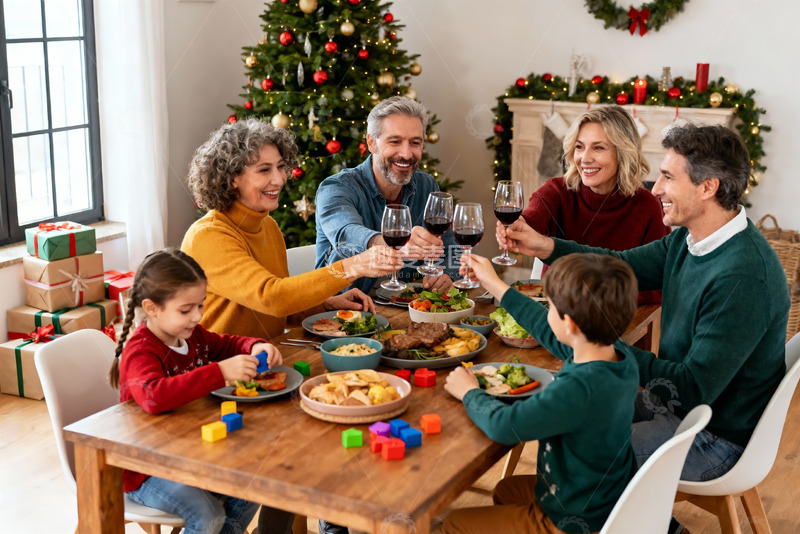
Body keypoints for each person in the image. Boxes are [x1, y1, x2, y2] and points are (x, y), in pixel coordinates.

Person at [497, 124, 790, 533]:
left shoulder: (741, 276)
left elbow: (691, 388)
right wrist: (546, 246)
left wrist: (600, 347)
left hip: (712, 434)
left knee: (581, 454)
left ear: (708, 187)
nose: (655, 190)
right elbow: (617, 262)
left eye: (669, 177)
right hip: (678, 408)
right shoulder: (692, 239)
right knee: (569, 425)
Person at [442, 252, 641, 534]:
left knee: (454, 524)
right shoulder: (619, 357)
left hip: (573, 518)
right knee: (506, 491)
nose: (546, 312)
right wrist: (495, 283)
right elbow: (547, 331)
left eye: (549, 306)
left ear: (570, 324)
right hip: (604, 495)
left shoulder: (578, 389)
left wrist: (469, 392)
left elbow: (504, 426)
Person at [108, 248, 289, 534]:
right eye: (186, 309)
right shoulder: (140, 351)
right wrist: (219, 373)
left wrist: (253, 346)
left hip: (191, 453)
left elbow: (227, 344)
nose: (197, 316)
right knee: (207, 515)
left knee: (256, 481)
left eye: (200, 305)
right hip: (144, 469)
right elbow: (154, 396)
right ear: (152, 308)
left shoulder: (192, 336)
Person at [181, 118, 403, 340]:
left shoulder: (267, 225)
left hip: (267, 359)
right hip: (221, 367)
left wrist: (325, 305)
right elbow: (271, 297)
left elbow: (271, 310)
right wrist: (352, 267)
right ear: (232, 179)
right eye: (264, 170)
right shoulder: (208, 235)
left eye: (279, 167)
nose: (278, 179)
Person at [522, 105, 669, 303]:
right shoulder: (556, 191)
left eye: (598, 147)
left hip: (619, 319)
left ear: (622, 153)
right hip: (557, 316)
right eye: (580, 147)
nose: (585, 158)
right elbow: (528, 222)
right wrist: (515, 229)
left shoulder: (648, 206)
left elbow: (659, 283)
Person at [314, 96, 458, 294]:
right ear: (371, 143)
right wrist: (393, 242)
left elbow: (449, 245)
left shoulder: (427, 185)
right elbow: (345, 234)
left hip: (403, 308)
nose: (406, 154)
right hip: (341, 311)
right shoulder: (336, 188)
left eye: (415, 143)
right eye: (395, 141)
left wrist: (448, 274)